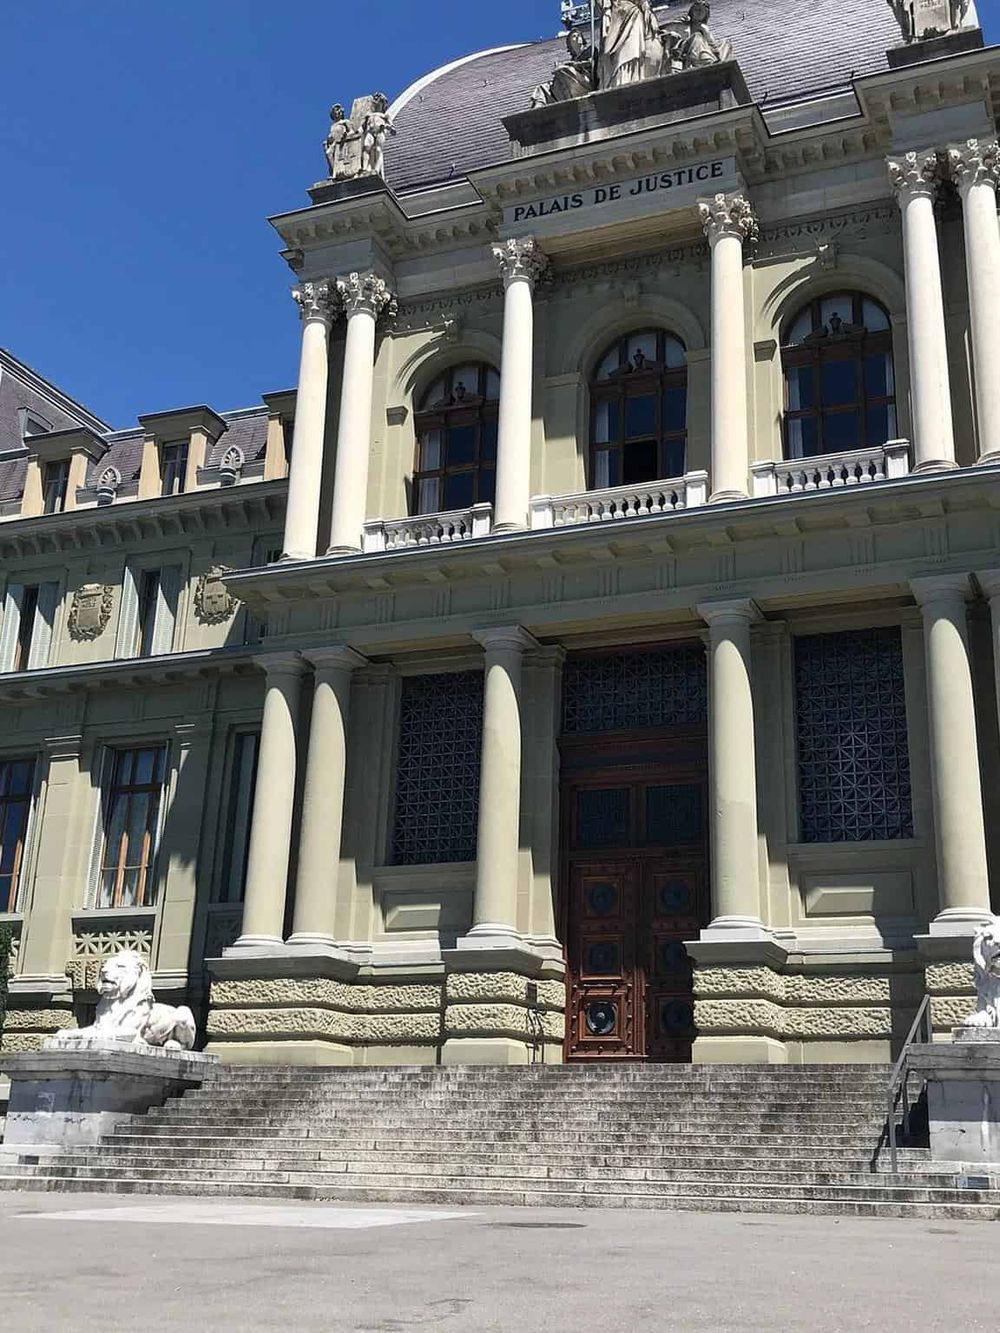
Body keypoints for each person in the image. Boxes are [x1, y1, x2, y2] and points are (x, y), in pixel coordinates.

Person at [597, 0, 661, 89]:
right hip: (615, 17)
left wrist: (649, 15)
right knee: (610, 56)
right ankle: (616, 84)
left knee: (629, 53)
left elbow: (642, 2)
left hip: (633, 17)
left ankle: (631, 80)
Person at [531, 27, 596, 107]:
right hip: (571, 83)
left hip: (585, 81)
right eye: (574, 36)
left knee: (562, 69)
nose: (577, 38)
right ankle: (538, 110)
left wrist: (571, 65)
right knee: (542, 88)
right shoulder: (573, 59)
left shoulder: (590, 50)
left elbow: (590, 63)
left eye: (579, 36)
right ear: (570, 43)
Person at [360, 93, 395, 178]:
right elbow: (361, 127)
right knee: (366, 146)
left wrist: (387, 127)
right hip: (370, 132)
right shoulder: (368, 115)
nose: (377, 103)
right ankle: (364, 168)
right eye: (375, 101)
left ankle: (376, 169)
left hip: (380, 131)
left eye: (379, 101)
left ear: (383, 104)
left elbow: (392, 128)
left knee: (378, 150)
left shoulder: (385, 116)